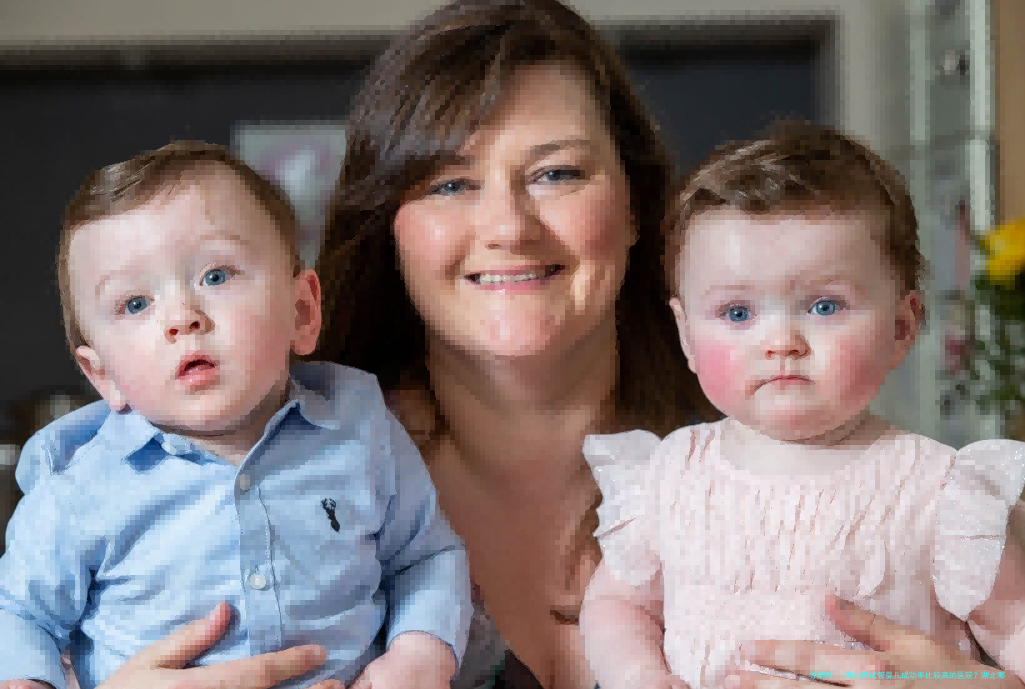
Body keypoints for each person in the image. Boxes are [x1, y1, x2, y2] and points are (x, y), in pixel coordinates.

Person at [13, 2, 1025, 689]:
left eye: (555, 174)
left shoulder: (821, 472)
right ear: (388, 222)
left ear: (637, 206)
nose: (505, 225)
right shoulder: (237, 478)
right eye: (449, 183)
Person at [0, 143, 472, 689]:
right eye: (136, 304)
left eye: (216, 275)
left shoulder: (361, 431)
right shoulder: (78, 490)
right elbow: (20, 614)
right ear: (102, 374)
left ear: (301, 311)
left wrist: (419, 653)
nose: (182, 317)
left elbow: (424, 556)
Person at [578, 122, 1025, 689]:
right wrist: (640, 676)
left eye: (824, 306)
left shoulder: (941, 493)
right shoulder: (666, 477)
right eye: (738, 313)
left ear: (900, 327)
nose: (781, 342)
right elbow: (618, 606)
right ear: (687, 336)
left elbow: (1013, 630)